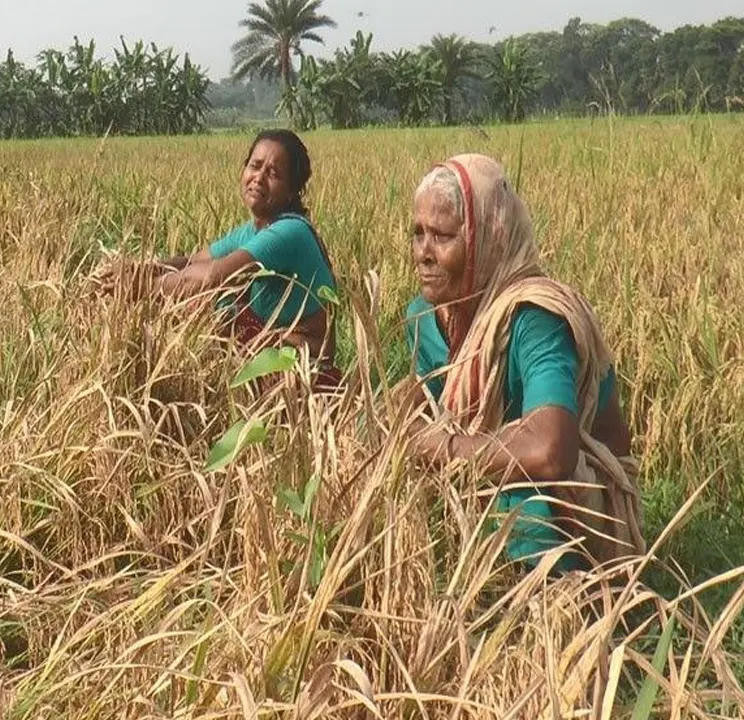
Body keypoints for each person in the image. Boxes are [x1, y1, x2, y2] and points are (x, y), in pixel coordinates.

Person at [400, 153, 644, 575]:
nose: (424, 252)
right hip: (484, 476)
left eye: (442, 236)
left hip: (577, 505)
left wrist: (440, 449)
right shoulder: (424, 317)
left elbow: (551, 452)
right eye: (417, 233)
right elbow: (423, 410)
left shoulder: (535, 317)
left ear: (487, 237)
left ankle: (563, 607)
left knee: (520, 502)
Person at [94, 129, 341, 388]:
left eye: (274, 174)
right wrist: (141, 269)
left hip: (305, 372)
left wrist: (144, 288)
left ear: (292, 191)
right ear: (243, 169)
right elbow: (193, 262)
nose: (259, 178)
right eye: (255, 166)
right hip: (274, 356)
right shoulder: (254, 231)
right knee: (203, 302)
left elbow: (213, 277)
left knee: (213, 309)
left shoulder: (290, 232)